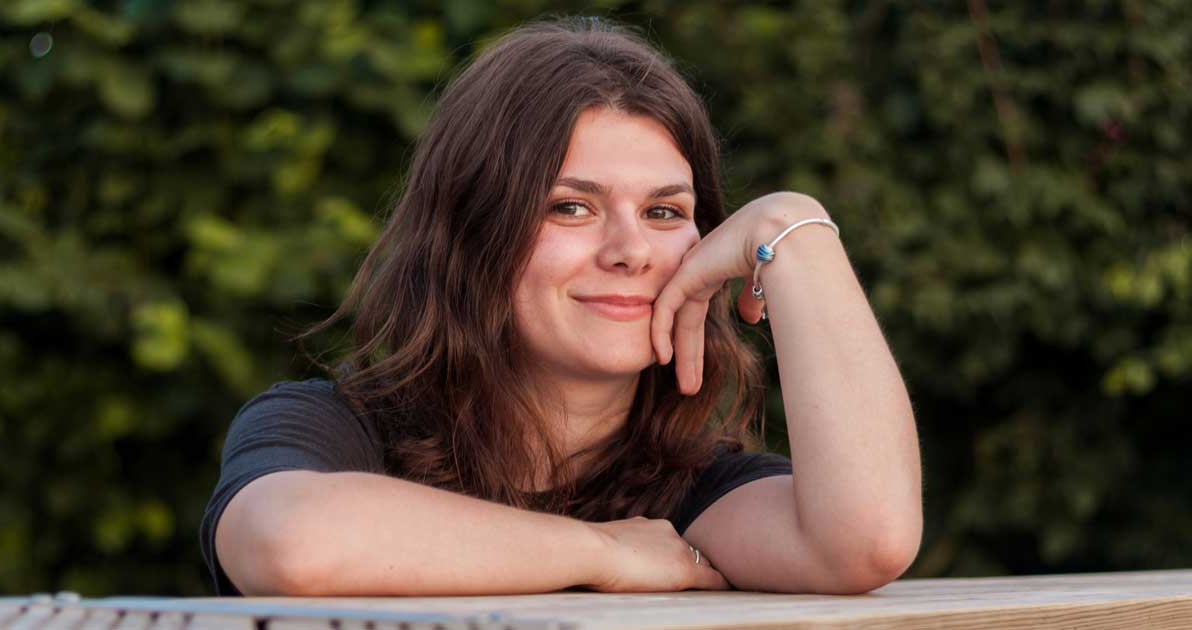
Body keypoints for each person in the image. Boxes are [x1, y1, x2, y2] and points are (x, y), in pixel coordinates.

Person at [200, 16, 922, 597]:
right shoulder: (332, 429)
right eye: (571, 207)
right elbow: (291, 544)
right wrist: (603, 552)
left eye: (666, 212)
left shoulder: (694, 497)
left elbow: (867, 543)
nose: (630, 250)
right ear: (473, 232)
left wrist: (794, 232)